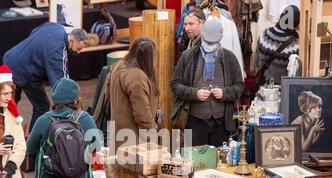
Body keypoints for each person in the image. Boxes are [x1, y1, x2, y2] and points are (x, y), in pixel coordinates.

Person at [170, 18, 244, 147]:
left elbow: (239, 86)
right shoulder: (187, 56)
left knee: (220, 162)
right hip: (194, 121)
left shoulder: (229, 58)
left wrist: (224, 93)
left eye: (213, 42)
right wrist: (195, 93)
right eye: (207, 41)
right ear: (202, 36)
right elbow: (175, 84)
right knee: (193, 160)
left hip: (221, 123)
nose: (210, 45)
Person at [3, 23, 88, 132]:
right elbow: (61, 83)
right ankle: (33, 138)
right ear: (72, 41)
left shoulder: (56, 27)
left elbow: (34, 31)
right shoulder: (57, 52)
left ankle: (4, 134)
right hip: (25, 72)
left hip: (11, 60)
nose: (78, 52)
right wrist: (74, 101)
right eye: (78, 48)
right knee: (42, 105)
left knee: (9, 103)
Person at [109, 36, 159, 150]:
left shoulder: (118, 65)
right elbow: (142, 113)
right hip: (134, 140)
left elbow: (108, 94)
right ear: (147, 57)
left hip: (119, 134)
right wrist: (152, 136)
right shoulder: (137, 76)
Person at [254, 5, 300, 86]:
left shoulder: (264, 35)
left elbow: (256, 62)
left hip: (264, 86)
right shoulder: (296, 44)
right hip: (284, 89)